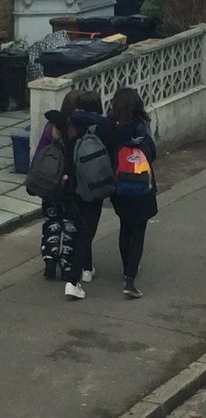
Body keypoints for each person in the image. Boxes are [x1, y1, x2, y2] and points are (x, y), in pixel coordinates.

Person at [64, 91, 116, 299]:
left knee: (82, 227)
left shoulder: (71, 122)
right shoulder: (104, 126)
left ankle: (87, 268)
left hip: (75, 183)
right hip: (96, 183)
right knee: (88, 231)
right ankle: (73, 280)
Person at [110, 88, 158, 299]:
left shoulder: (112, 128)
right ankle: (130, 277)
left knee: (125, 228)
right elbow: (152, 153)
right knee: (139, 232)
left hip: (120, 187)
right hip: (142, 187)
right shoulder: (142, 126)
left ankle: (125, 269)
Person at [34, 90, 84, 281]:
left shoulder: (51, 127)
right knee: (69, 225)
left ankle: (49, 259)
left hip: (49, 185)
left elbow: (39, 154)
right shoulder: (76, 129)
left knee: (51, 222)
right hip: (69, 186)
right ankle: (66, 264)